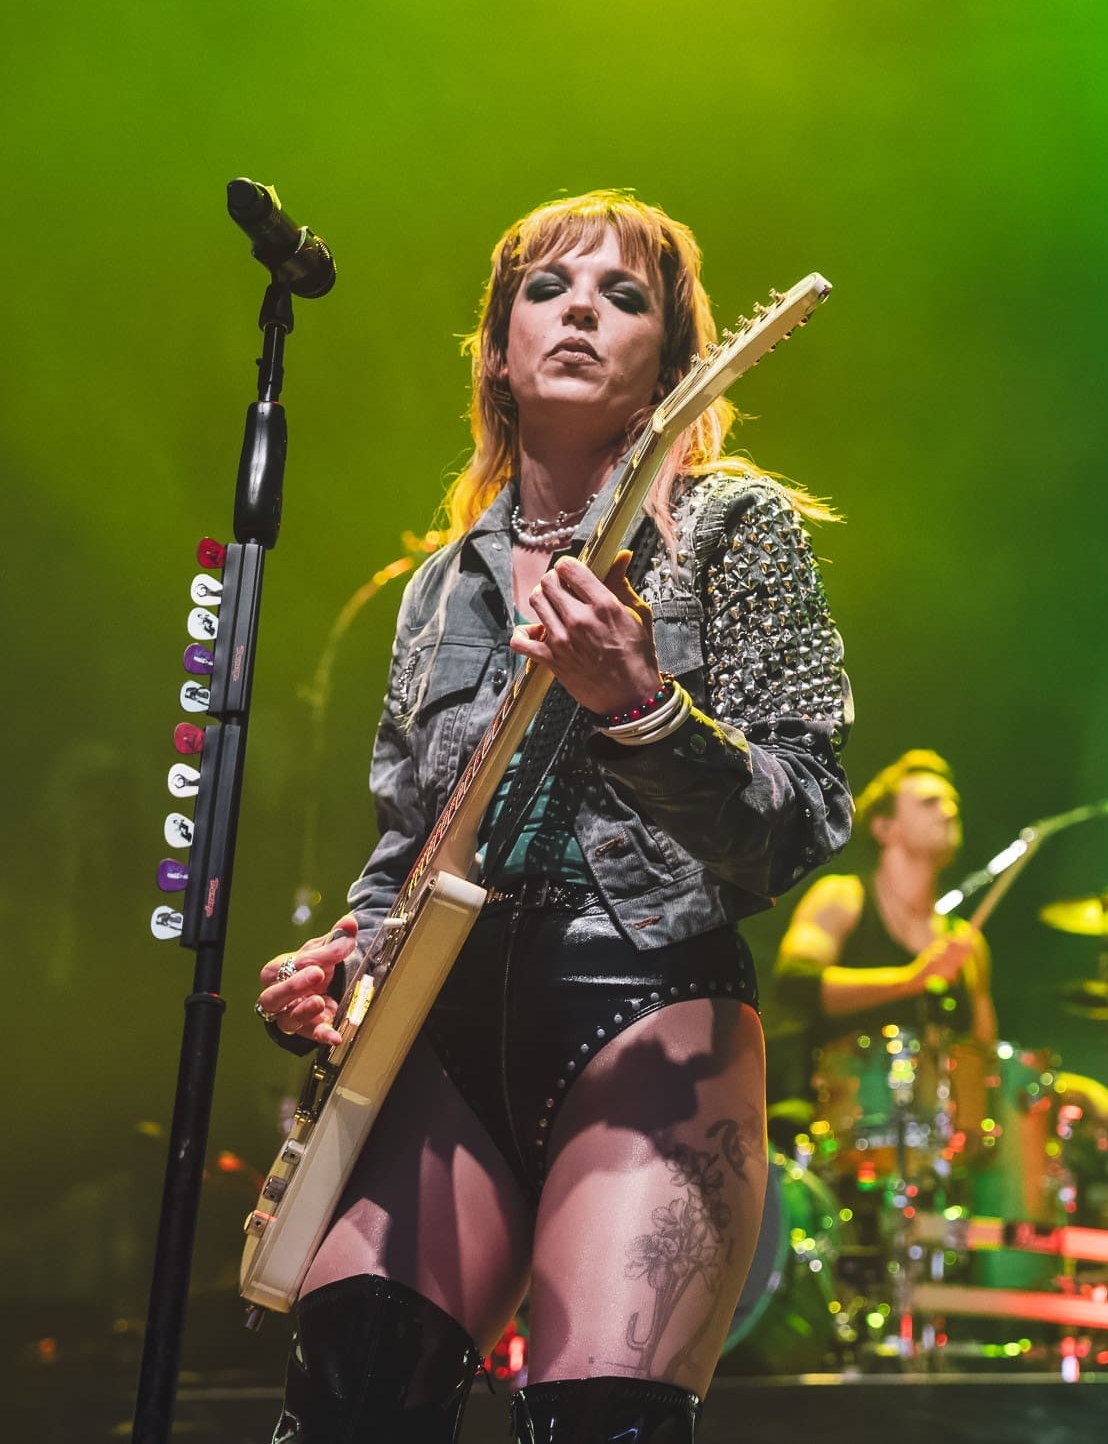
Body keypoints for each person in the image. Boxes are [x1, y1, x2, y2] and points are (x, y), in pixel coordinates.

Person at [253, 190, 854, 1443]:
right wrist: (343, 972)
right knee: (355, 1383)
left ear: (671, 368)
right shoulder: (435, 587)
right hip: (443, 1023)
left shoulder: (736, 532)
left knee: (602, 1423)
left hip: (648, 1006)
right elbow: (398, 856)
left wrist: (638, 706)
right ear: (497, 348)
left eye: (623, 296)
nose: (582, 307)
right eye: (549, 288)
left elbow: (798, 818)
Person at [765, 749, 996, 1160]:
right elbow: (796, 982)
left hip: (939, 1151)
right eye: (929, 802)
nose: (947, 811)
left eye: (951, 802)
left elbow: (983, 1055)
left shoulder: (967, 942)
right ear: (884, 826)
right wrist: (913, 978)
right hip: (836, 1134)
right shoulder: (842, 897)